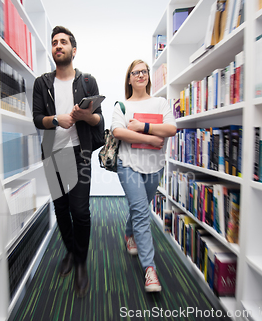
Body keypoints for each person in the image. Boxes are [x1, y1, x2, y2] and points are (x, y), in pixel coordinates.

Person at [32, 26, 104, 297]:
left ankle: (82, 262)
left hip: (80, 153)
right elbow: (37, 118)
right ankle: (71, 253)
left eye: (63, 42)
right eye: (54, 43)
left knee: (81, 212)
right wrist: (56, 120)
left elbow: (100, 120)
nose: (57, 46)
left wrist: (85, 116)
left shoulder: (88, 81)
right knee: (61, 209)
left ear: (74, 50)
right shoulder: (42, 83)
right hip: (53, 154)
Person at [111, 59, 177, 292]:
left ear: (148, 76)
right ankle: (150, 270)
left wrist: (142, 127)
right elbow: (118, 131)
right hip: (127, 165)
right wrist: (150, 138)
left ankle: (129, 233)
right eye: (135, 72)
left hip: (154, 166)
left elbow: (171, 128)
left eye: (144, 71)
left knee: (141, 207)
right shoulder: (121, 105)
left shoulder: (160, 103)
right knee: (141, 211)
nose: (140, 75)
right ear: (129, 79)